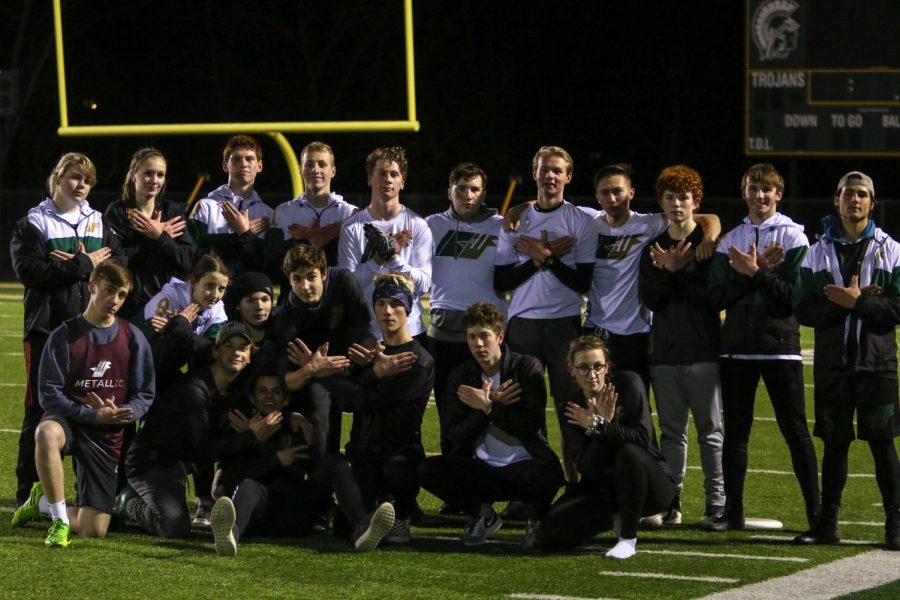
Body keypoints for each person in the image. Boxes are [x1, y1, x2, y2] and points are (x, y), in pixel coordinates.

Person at [706, 163, 820, 532]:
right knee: (736, 434)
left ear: (779, 194)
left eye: (766, 189)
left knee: (796, 432)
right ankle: (734, 513)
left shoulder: (795, 238)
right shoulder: (730, 239)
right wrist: (754, 275)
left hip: (780, 346)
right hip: (736, 348)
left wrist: (755, 273)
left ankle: (817, 515)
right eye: (753, 188)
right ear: (744, 193)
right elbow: (717, 297)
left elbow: (791, 301)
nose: (760, 195)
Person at [11, 260, 154, 547]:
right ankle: (60, 521)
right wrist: (89, 414)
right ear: (92, 286)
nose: (114, 300)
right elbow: (48, 395)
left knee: (94, 529)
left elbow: (145, 394)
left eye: (122, 294)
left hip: (106, 433)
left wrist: (126, 412)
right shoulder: (64, 335)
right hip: (70, 422)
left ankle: (41, 503)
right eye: (109, 290)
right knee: (45, 433)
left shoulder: (133, 337)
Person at [793, 171, 900, 550]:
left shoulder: (892, 249)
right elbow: (802, 309)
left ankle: (896, 525)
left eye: (861, 194)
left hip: (877, 364)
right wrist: (842, 307)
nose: (854, 200)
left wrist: (859, 303)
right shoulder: (815, 251)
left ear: (872, 202)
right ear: (836, 200)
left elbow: (898, 308)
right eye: (847, 193)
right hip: (833, 364)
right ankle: (828, 525)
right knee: (835, 444)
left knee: (882, 443)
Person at [10, 152, 124, 507]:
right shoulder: (33, 222)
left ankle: (85, 493)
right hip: (45, 330)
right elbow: (29, 273)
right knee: (40, 409)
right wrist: (84, 263)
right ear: (57, 178)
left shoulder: (99, 222)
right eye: (74, 177)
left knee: (87, 407)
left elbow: (117, 268)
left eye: (87, 180)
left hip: (88, 332)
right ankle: (29, 491)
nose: (81, 186)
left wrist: (78, 266)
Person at [418, 303, 563, 547]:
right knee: (425, 469)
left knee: (551, 473)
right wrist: (486, 410)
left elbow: (529, 426)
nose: (478, 344)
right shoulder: (461, 375)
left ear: (500, 336)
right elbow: (455, 436)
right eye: (472, 337)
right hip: (482, 469)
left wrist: (488, 407)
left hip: (524, 466)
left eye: (484, 336)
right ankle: (483, 514)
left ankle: (536, 519)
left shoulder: (525, 367)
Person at [208, 371, 395, 556]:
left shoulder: (296, 426)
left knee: (335, 462)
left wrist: (266, 446)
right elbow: (236, 477)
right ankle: (230, 535)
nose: (269, 396)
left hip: (295, 514)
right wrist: (260, 445)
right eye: (262, 391)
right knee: (249, 486)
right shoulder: (239, 427)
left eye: (276, 392)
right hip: (258, 518)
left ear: (286, 399)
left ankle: (361, 527)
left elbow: (296, 474)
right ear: (253, 397)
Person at [494, 146, 596, 481]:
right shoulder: (515, 219)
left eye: (556, 170)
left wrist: (547, 258)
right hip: (522, 322)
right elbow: (501, 281)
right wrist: (540, 260)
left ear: (568, 176)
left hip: (563, 323)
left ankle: (575, 481)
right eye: (543, 169)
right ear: (534, 173)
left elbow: (583, 283)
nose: (549, 176)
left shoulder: (582, 220)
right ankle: (531, 483)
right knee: (524, 408)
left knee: (570, 406)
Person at [315, 274, 435, 543]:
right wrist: (373, 371)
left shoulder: (416, 360)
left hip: (397, 455)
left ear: (409, 308)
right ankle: (364, 523)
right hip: (364, 457)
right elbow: (348, 401)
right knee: (333, 467)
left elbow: (362, 400)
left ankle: (399, 515)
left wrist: (321, 375)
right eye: (380, 303)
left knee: (399, 468)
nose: (387, 310)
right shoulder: (370, 357)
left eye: (395, 303)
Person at [533, 336, 676, 559]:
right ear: (572, 370)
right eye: (583, 368)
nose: (592, 375)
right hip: (605, 489)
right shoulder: (571, 408)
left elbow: (642, 440)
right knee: (546, 537)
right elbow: (588, 469)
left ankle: (628, 539)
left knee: (629, 453)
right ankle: (617, 516)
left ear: (607, 366)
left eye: (598, 366)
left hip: (650, 486)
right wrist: (601, 428)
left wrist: (600, 425)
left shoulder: (628, 384)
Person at [580, 163, 719, 390]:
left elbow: (706, 217)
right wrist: (518, 210)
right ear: (597, 196)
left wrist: (709, 239)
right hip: (595, 328)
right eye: (605, 192)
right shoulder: (586, 221)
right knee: (595, 398)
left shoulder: (649, 223)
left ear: (631, 193)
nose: (612, 198)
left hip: (635, 331)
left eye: (618, 191)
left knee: (636, 398)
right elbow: (548, 206)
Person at [638, 165, 724, 528]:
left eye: (683, 197)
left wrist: (677, 271)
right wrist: (672, 271)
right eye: (670, 197)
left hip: (704, 350)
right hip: (666, 354)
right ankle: (671, 501)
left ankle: (717, 502)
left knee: (712, 433)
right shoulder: (652, 249)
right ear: (661, 202)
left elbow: (711, 297)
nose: (677, 204)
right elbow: (652, 299)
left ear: (696, 201)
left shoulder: (710, 246)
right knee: (672, 434)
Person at [120, 322, 258, 538]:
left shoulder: (235, 393)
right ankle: (127, 501)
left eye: (243, 347)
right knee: (175, 527)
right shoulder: (194, 389)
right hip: (151, 461)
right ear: (215, 350)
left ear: (250, 356)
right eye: (229, 345)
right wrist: (251, 436)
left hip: (180, 462)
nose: (236, 352)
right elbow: (202, 449)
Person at [426, 163, 507, 455]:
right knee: (449, 412)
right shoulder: (431, 225)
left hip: (487, 336)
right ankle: (454, 486)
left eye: (474, 189)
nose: (468, 195)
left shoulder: (501, 225)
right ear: (450, 192)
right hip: (443, 333)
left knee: (489, 411)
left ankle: (485, 486)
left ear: (483, 193)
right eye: (461, 189)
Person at [276, 244, 373, 458]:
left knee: (374, 404)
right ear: (289, 280)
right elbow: (287, 380)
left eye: (311, 276)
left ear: (324, 274)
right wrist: (311, 369)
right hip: (315, 373)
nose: (305, 286)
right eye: (297, 279)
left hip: (349, 361)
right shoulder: (287, 319)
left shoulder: (344, 282)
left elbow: (364, 331)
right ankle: (323, 478)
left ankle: (364, 466)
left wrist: (366, 354)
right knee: (321, 423)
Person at [338, 146, 432, 341]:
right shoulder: (352, 228)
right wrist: (378, 259)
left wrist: (393, 258)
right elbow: (348, 288)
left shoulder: (418, 225)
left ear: (402, 182)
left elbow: (424, 285)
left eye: (394, 174)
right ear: (369, 178)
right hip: (368, 332)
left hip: (410, 331)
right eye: (381, 173)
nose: (388, 179)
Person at [104, 147, 197, 319]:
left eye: (160, 175)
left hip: (166, 306)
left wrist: (161, 237)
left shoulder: (172, 211)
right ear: (133, 174)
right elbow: (115, 263)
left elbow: (188, 261)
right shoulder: (117, 212)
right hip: (127, 307)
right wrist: (153, 239)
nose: (154, 180)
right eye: (148, 173)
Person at [189, 135, 271, 273]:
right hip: (211, 291)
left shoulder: (268, 214)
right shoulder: (205, 207)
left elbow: (267, 267)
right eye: (237, 159)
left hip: (249, 292)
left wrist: (246, 237)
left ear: (260, 166)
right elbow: (189, 258)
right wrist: (241, 236)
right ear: (225, 165)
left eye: (249, 159)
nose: (243, 163)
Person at [270, 141, 357, 270]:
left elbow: (355, 264)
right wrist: (310, 240)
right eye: (309, 164)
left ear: (333, 171)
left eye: (322, 165)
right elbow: (274, 264)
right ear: (301, 170)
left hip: (337, 287)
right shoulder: (284, 211)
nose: (315, 170)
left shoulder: (349, 213)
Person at [143, 253, 230, 343]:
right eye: (209, 286)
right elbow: (147, 338)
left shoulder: (218, 313)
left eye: (221, 289)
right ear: (194, 283)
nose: (215, 295)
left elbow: (208, 350)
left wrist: (179, 329)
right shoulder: (168, 299)